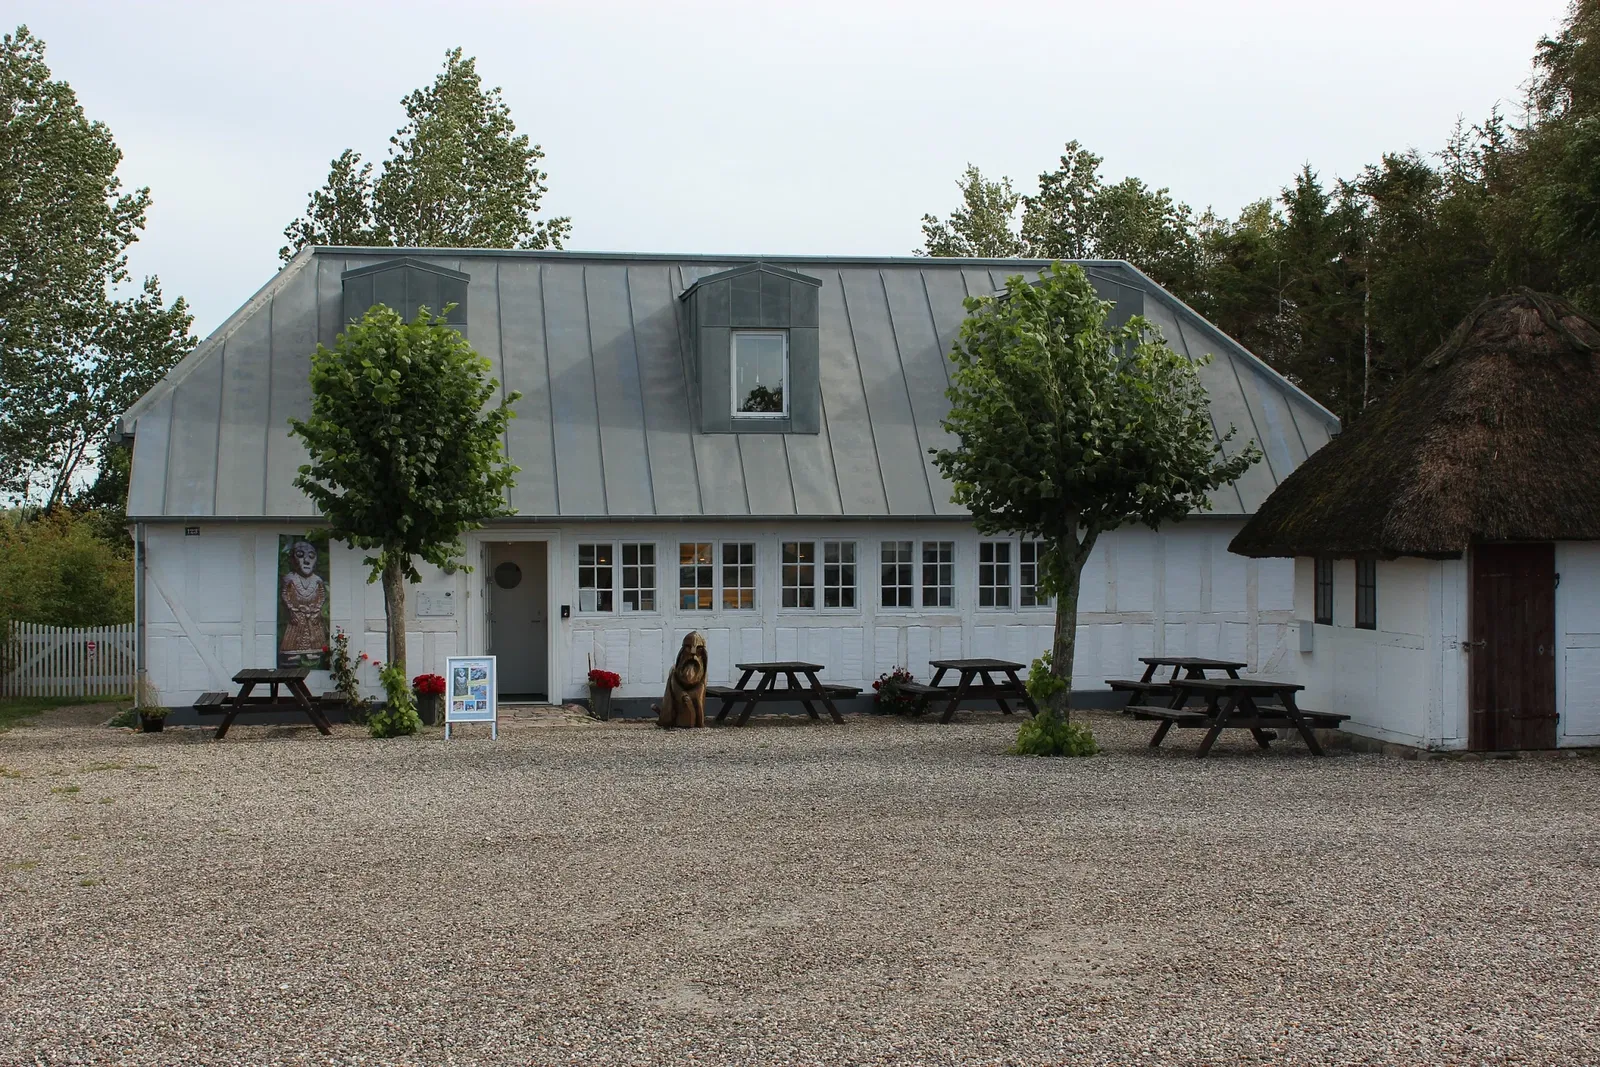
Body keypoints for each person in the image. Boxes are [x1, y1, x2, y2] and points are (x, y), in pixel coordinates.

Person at [280, 539, 329, 665]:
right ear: (292, 559)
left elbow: (322, 596)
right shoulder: (290, 578)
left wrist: (317, 609)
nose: (306, 561)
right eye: (300, 555)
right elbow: (285, 595)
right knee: (295, 632)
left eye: (311, 556)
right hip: (297, 612)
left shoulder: (317, 580)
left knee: (314, 632)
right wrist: (291, 610)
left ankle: (312, 651)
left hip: (312, 612)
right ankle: (293, 652)